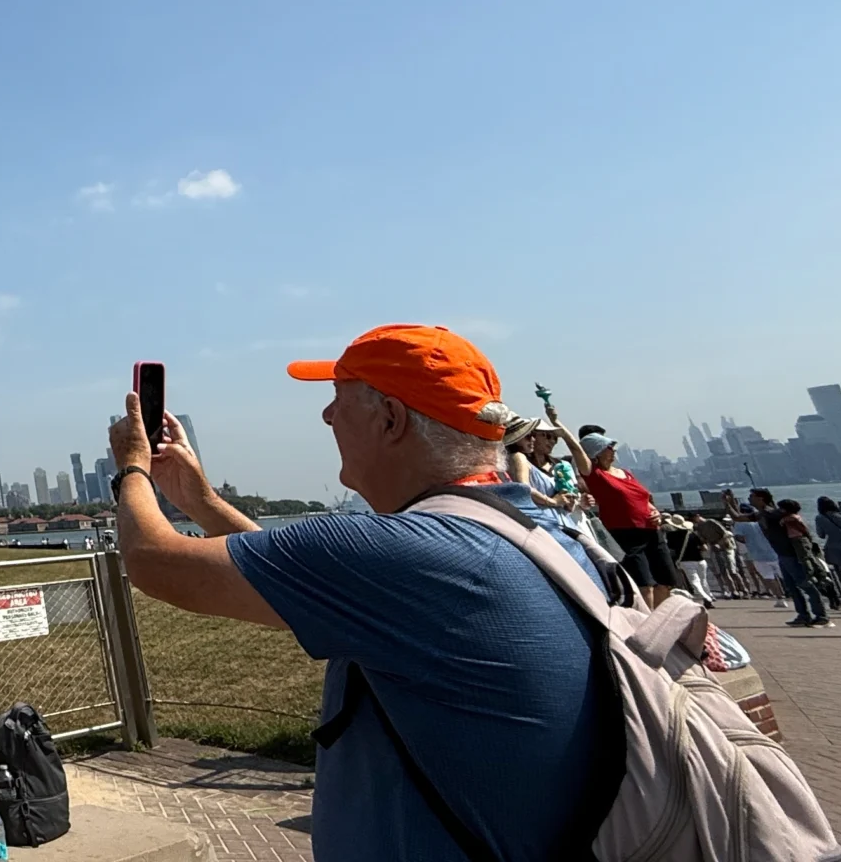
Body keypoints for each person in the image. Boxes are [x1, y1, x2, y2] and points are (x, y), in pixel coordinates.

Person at [108, 324, 610, 859]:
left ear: (390, 419)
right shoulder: (538, 533)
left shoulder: (405, 553)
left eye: (338, 399)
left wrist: (132, 466)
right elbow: (307, 579)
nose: (327, 416)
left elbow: (153, 561)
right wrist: (197, 497)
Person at [549, 412, 674, 605]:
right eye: (608, 447)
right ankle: (647, 627)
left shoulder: (625, 473)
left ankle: (664, 622)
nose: (613, 450)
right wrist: (557, 423)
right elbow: (575, 448)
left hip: (652, 530)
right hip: (626, 533)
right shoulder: (596, 475)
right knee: (644, 585)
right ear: (596, 452)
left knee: (665, 582)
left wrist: (654, 511)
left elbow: (643, 498)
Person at [770, 500, 832, 627]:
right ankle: (807, 615)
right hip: (793, 549)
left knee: (805, 582)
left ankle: (820, 615)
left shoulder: (791, 519)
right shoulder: (792, 518)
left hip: (797, 548)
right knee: (797, 584)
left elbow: (802, 535)